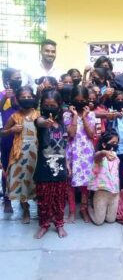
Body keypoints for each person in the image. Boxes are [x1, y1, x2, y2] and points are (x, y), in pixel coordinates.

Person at [33, 90, 68, 239]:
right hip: (44, 168)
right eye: (46, 105)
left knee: (59, 199)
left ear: (59, 106)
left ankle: (59, 224)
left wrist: (68, 166)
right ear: (42, 106)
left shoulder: (62, 123)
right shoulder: (39, 120)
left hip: (60, 168)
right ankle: (44, 225)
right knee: (43, 200)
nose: (49, 108)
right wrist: (45, 122)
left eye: (53, 105)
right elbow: (39, 122)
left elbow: (65, 146)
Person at [2, 86, 39, 223]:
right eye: (24, 97)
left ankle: (41, 207)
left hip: (35, 155)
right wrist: (11, 129)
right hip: (19, 155)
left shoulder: (38, 115)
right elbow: (3, 132)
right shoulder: (14, 116)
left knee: (35, 181)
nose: (27, 99)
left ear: (34, 98)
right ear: (17, 99)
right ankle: (26, 209)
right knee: (22, 181)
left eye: (29, 97)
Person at [63, 86, 96, 223]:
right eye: (77, 100)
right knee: (70, 183)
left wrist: (85, 118)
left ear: (87, 101)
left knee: (85, 184)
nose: (80, 102)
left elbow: (91, 134)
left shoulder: (92, 115)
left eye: (83, 100)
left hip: (87, 153)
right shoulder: (66, 115)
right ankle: (71, 211)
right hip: (72, 151)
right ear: (72, 101)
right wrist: (76, 116)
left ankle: (83, 209)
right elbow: (70, 135)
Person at [0, 68, 21, 212]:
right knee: (7, 167)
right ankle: (7, 199)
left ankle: (22, 198)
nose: (18, 80)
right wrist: (4, 99)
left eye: (20, 77)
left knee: (23, 167)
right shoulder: (2, 95)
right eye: (16, 77)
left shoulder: (22, 94)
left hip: (22, 135)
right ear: (7, 80)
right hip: (7, 136)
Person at [88, 130, 120, 225]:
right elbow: (98, 155)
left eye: (117, 143)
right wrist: (104, 152)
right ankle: (89, 208)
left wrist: (119, 192)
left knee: (111, 220)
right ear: (104, 144)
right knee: (99, 222)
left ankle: (103, 210)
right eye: (113, 142)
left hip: (114, 194)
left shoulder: (116, 157)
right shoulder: (99, 157)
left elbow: (116, 176)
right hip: (101, 192)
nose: (115, 145)